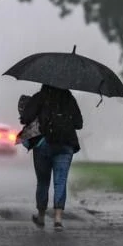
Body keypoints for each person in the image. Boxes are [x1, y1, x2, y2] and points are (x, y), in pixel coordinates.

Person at [19, 84, 83, 232]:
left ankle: (41, 216)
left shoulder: (39, 97)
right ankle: (58, 219)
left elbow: (26, 118)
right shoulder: (69, 99)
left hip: (43, 145)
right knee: (60, 182)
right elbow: (78, 124)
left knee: (43, 182)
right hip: (65, 145)